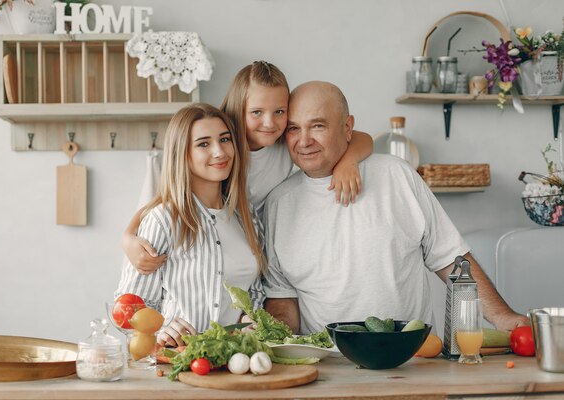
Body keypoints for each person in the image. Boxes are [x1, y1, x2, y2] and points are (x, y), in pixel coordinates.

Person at [262, 81, 529, 334]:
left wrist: (501, 315)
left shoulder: (395, 175)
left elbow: (451, 260)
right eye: (293, 129)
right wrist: (274, 333)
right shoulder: (278, 203)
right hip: (326, 366)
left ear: (347, 127)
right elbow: (283, 295)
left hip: (410, 358)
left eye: (317, 126)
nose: (304, 140)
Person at [121, 61, 374, 275]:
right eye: (256, 112)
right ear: (238, 109)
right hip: (202, 251)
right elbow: (162, 199)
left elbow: (360, 137)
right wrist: (128, 239)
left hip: (251, 249)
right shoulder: (219, 146)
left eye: (279, 111)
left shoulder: (285, 141)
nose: (269, 122)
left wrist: (347, 162)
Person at [115, 103, 265, 347]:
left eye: (225, 139)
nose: (220, 152)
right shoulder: (163, 220)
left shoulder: (248, 220)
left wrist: (250, 317)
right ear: (182, 153)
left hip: (235, 362)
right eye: (203, 144)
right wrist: (162, 329)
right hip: (177, 365)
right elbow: (128, 308)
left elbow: (255, 292)